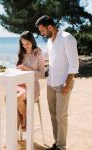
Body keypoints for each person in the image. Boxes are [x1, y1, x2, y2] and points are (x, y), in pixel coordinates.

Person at [35, 15, 79, 150]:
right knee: (53, 115)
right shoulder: (49, 41)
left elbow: (74, 62)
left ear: (49, 27)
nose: (41, 33)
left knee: (61, 116)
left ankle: (62, 146)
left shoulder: (67, 38)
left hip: (63, 83)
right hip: (51, 83)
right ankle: (57, 143)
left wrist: (68, 83)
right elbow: (47, 56)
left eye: (42, 31)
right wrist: (31, 53)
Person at [16, 31, 45, 131]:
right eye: (23, 44)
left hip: (32, 87)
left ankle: (24, 120)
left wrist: (26, 69)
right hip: (19, 85)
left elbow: (42, 75)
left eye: (27, 43)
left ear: (32, 41)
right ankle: (22, 121)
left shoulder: (38, 53)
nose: (25, 46)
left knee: (18, 97)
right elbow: (16, 71)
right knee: (7, 97)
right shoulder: (21, 54)